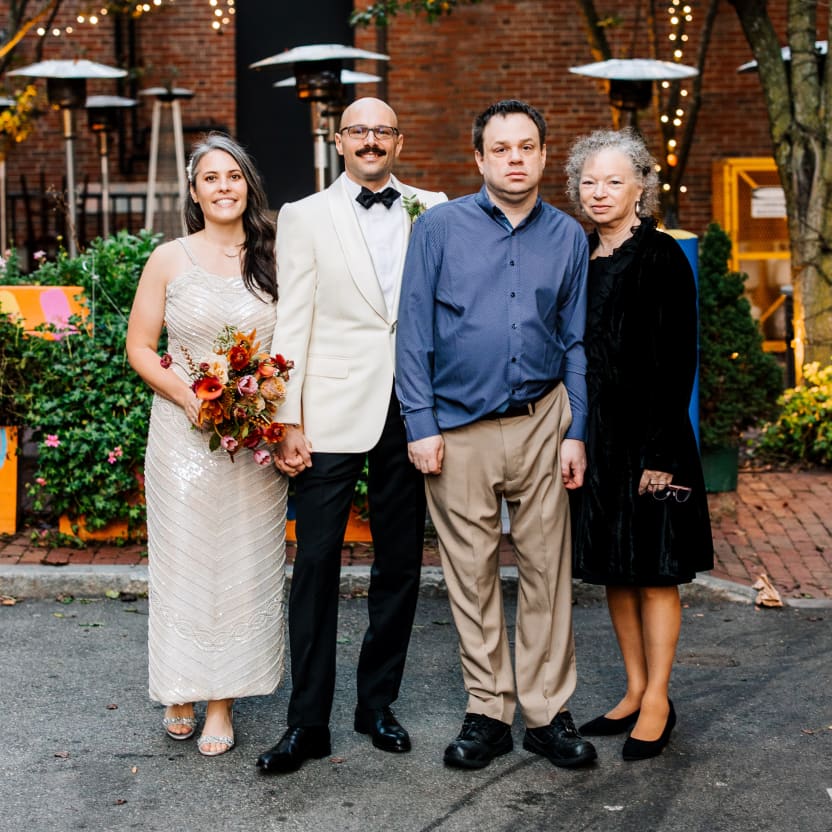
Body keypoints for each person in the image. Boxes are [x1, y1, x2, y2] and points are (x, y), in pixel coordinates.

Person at [395, 99, 596, 771]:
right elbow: (413, 331)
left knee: (547, 570)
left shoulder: (568, 236)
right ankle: (488, 711)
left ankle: (545, 713)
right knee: (471, 575)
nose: (515, 158)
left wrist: (577, 430)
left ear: (542, 155)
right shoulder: (439, 230)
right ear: (478, 158)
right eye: (501, 148)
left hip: (543, 421)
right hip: (458, 428)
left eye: (527, 146)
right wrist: (419, 423)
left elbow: (576, 340)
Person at [256, 97, 446, 774]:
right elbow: (292, 320)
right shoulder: (305, 216)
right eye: (359, 131)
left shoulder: (435, 204)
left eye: (383, 131)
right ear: (339, 141)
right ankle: (307, 724)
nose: (371, 141)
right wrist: (288, 417)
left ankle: (377, 706)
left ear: (399, 139)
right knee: (314, 569)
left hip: (412, 409)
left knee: (400, 565)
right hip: (330, 413)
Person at [126, 133, 286, 758]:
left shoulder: (275, 252)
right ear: (194, 192)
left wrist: (263, 407)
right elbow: (140, 346)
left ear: (248, 185)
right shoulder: (169, 258)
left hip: (252, 442)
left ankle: (223, 700)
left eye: (234, 176)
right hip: (181, 440)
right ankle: (181, 684)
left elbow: (294, 340)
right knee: (185, 563)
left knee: (245, 563)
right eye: (211, 178)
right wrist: (190, 397)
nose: (224, 187)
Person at [565, 128, 714, 761]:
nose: (599, 193)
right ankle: (631, 689)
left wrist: (661, 455)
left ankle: (659, 699)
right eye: (589, 182)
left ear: (640, 188)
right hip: (596, 436)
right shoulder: (579, 255)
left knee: (655, 572)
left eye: (613, 181)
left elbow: (678, 360)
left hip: (652, 437)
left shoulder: (661, 257)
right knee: (615, 572)